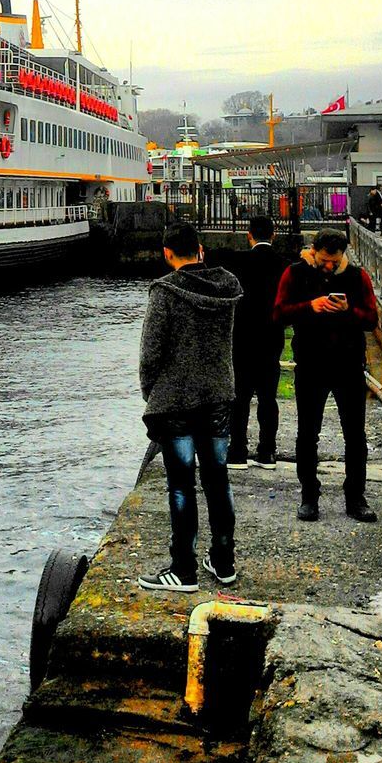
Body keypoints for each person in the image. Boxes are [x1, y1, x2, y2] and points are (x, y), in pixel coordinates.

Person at [138, 222, 243, 591]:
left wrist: (152, 392)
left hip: (176, 401)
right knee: (217, 478)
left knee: (181, 484)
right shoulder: (227, 286)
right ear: (200, 249)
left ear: (167, 254)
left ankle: (183, 569)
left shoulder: (165, 292)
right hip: (217, 395)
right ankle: (224, 560)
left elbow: (151, 353)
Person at [272, 229, 379, 522]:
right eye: (323, 260)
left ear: (343, 255)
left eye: (334, 261)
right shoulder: (295, 274)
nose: (328, 266)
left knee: (355, 436)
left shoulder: (358, 277)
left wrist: (348, 311)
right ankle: (309, 496)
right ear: (314, 251)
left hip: (349, 365)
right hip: (310, 364)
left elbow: (371, 320)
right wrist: (310, 307)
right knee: (307, 434)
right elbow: (279, 314)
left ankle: (355, 497)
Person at [229, 214, 286, 467]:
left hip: (241, 338)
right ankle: (267, 451)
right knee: (267, 398)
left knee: (239, 398)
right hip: (272, 337)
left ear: (248, 235)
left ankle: (238, 451)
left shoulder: (237, 263)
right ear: (273, 235)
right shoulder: (285, 265)